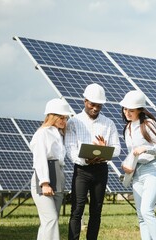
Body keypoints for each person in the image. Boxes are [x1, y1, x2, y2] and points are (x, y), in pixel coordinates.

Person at [65, 83, 121, 240]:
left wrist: (105, 151)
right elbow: (70, 149)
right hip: (81, 171)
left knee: (96, 210)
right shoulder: (73, 122)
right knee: (77, 209)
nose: (96, 108)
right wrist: (86, 159)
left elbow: (117, 149)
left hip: (101, 170)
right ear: (85, 101)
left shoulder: (108, 123)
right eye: (92, 104)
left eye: (99, 105)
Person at [120, 90, 156, 240]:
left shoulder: (149, 124)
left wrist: (146, 148)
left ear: (140, 110)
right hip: (136, 173)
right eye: (125, 109)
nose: (127, 112)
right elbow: (131, 154)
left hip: (152, 170)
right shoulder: (127, 129)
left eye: (131, 110)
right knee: (140, 216)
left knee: (146, 211)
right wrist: (126, 165)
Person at [30, 98, 72, 240]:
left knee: (49, 222)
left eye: (66, 118)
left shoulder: (60, 134)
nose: (64, 121)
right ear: (52, 116)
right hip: (44, 176)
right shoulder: (42, 133)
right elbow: (40, 158)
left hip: (58, 174)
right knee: (51, 219)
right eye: (61, 117)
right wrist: (45, 183)